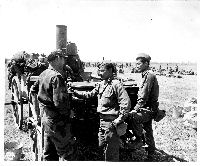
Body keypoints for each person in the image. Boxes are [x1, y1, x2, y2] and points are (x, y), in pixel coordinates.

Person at [72, 63, 131, 161]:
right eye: (99, 71)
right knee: (102, 147)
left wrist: (119, 120)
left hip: (111, 123)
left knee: (111, 153)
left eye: (102, 71)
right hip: (102, 122)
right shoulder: (101, 84)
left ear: (110, 71)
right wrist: (75, 92)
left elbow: (125, 103)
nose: (100, 73)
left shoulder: (116, 84)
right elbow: (89, 94)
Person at [30, 49, 76, 161]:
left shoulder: (43, 73)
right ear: (57, 58)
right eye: (63, 58)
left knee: (49, 152)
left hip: (46, 118)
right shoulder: (56, 77)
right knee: (66, 152)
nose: (65, 60)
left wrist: (40, 106)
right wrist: (68, 113)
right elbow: (59, 103)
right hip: (57, 121)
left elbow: (33, 89)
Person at [129, 53, 159, 161]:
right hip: (148, 108)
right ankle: (151, 153)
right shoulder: (146, 74)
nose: (136, 66)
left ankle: (138, 139)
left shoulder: (149, 75)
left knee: (132, 117)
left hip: (148, 109)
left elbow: (144, 96)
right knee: (148, 130)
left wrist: (135, 109)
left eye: (139, 64)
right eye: (136, 64)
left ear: (146, 63)